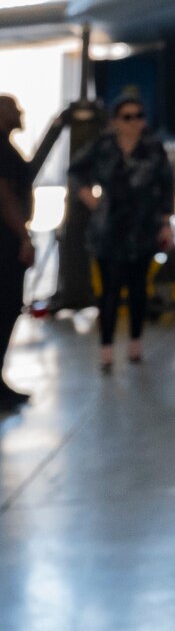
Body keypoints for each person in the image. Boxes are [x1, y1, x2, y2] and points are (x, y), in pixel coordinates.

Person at [68, 93, 175, 373]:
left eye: (139, 116)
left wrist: (165, 222)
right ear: (116, 121)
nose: (134, 122)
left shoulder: (153, 148)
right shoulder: (103, 146)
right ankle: (106, 349)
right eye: (128, 117)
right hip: (109, 228)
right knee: (110, 290)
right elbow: (76, 170)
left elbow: (166, 186)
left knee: (139, 287)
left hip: (143, 227)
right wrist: (89, 198)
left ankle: (135, 344)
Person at [0, 95, 34, 410]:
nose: (20, 112)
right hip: (6, 244)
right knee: (5, 308)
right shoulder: (2, 150)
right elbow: (5, 195)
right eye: (14, 108)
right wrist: (23, 238)